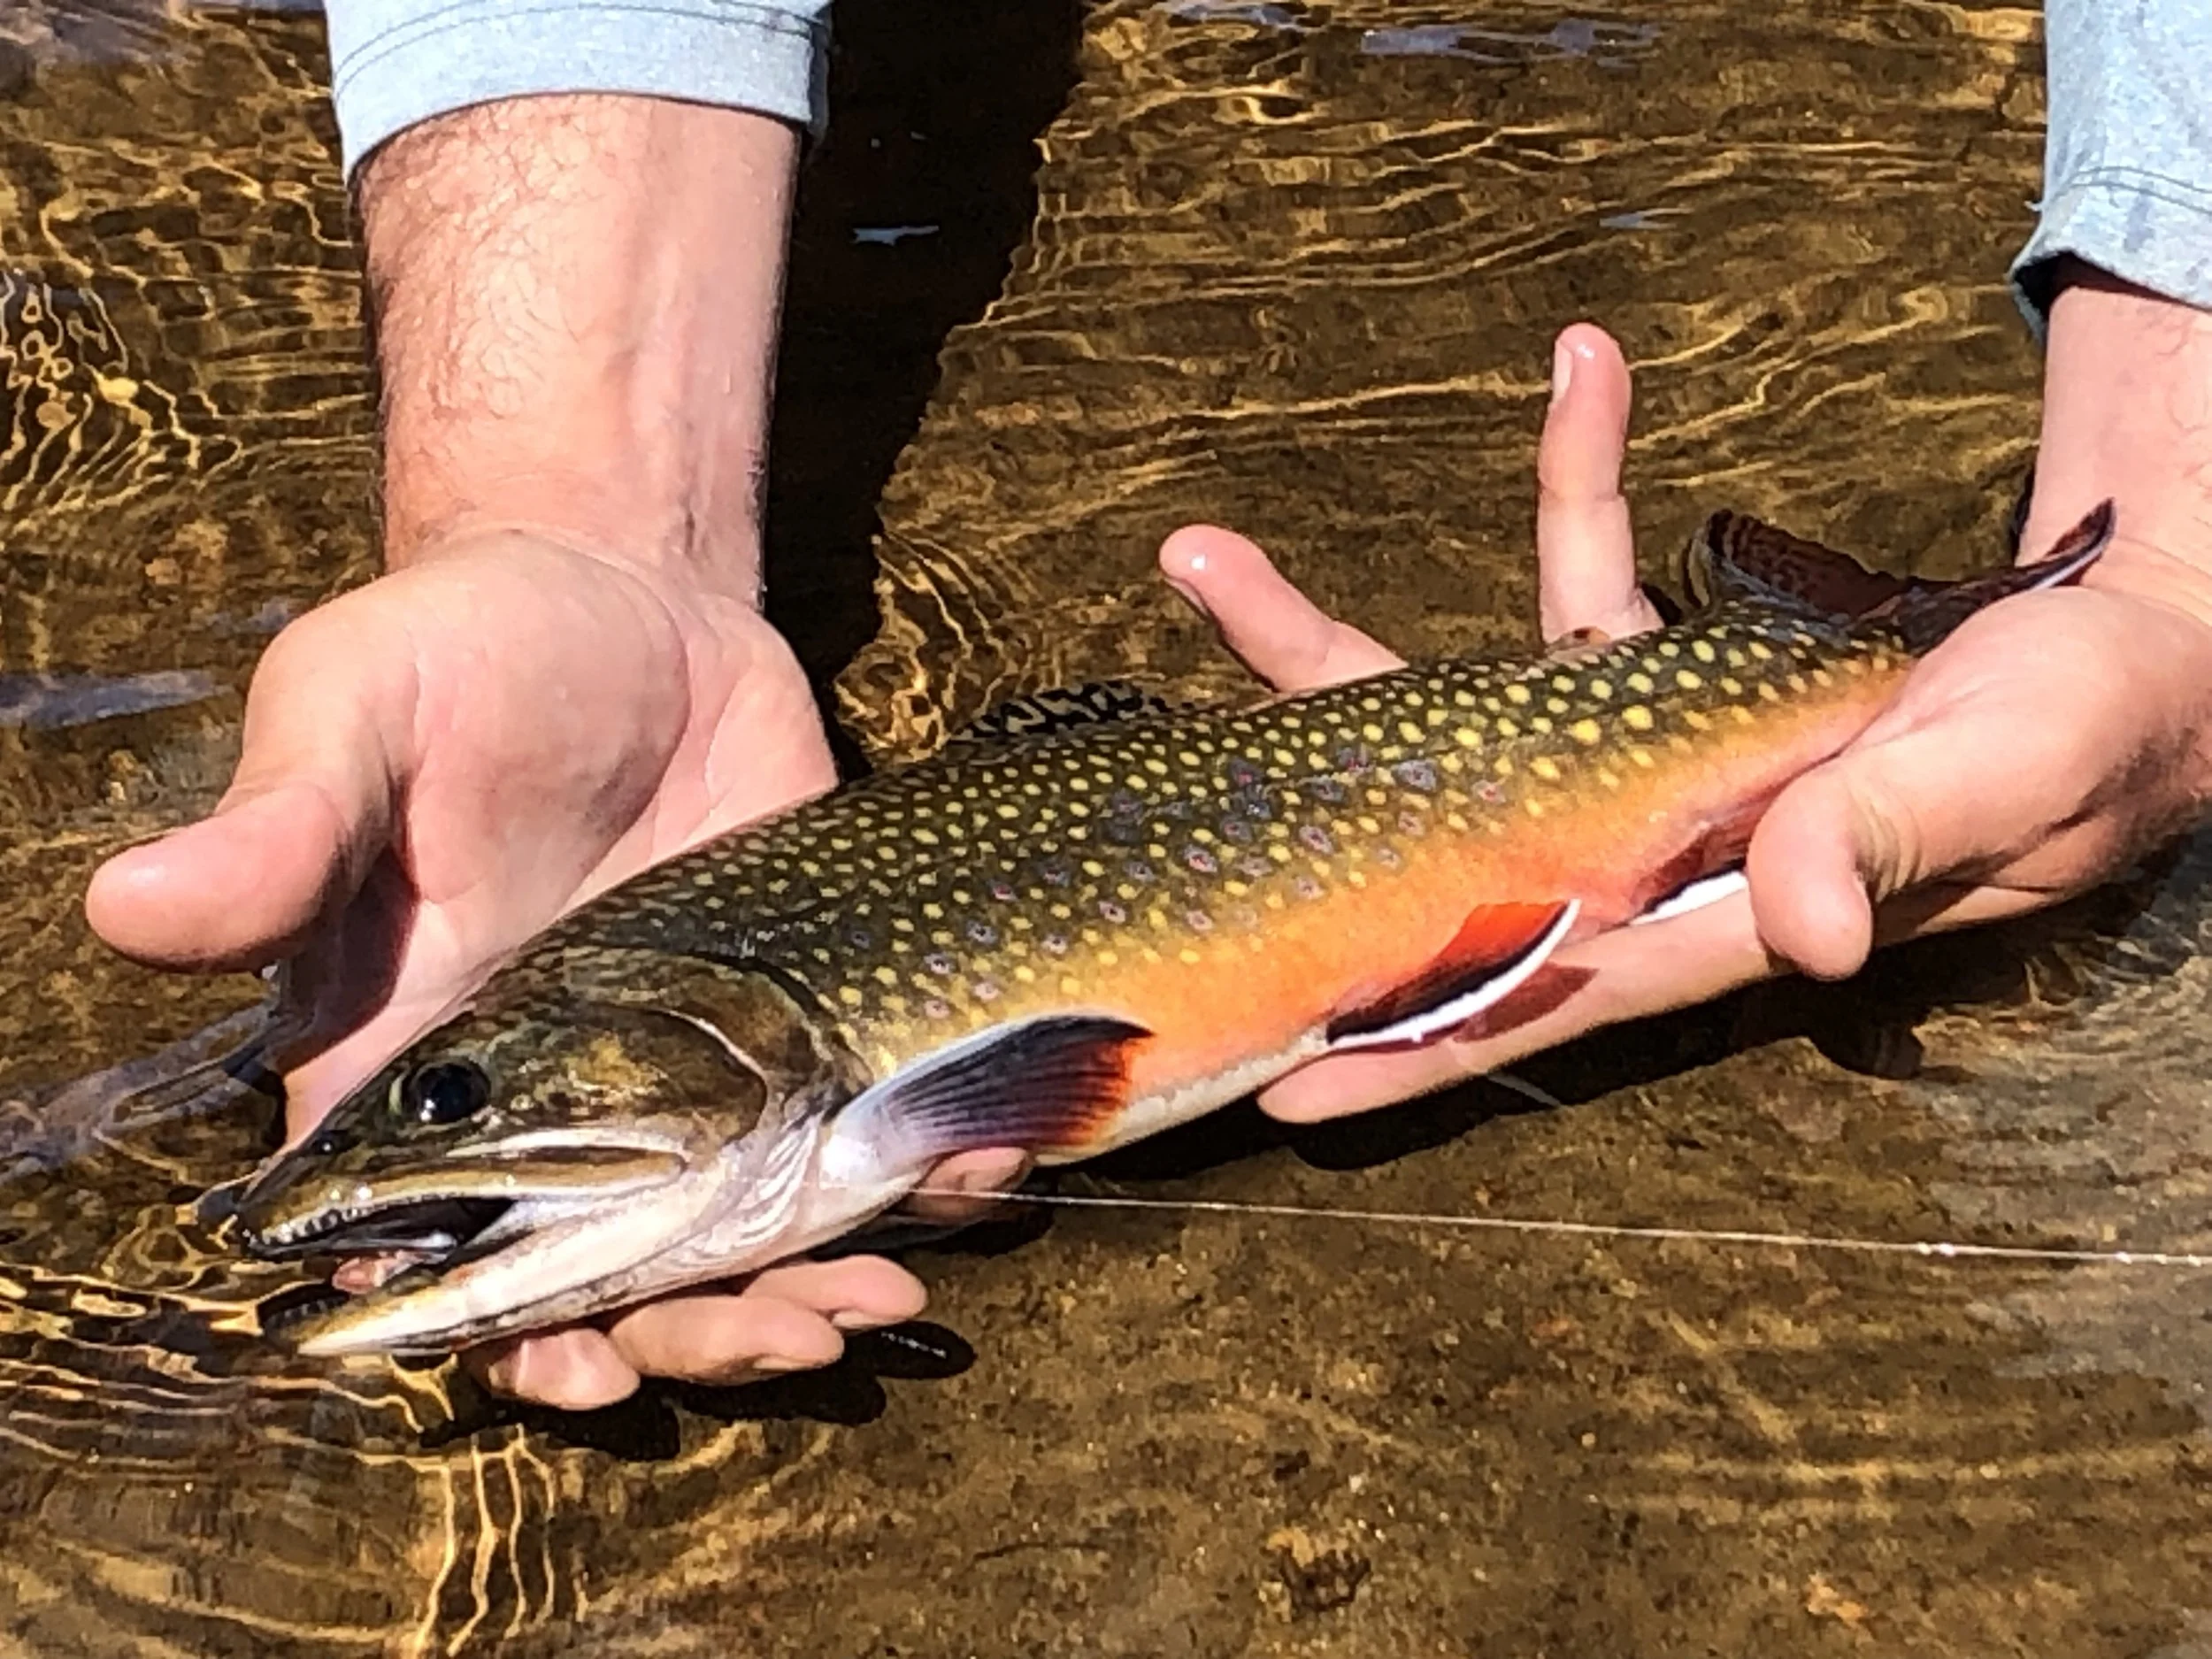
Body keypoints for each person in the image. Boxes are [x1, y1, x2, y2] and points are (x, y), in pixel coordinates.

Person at [82, 4, 2212, 1410]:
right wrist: (573, 508)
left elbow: (1054, 1073)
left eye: (450, 1105)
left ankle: (1883, 631)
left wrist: (2176, 547)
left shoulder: (770, 1051)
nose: (429, 1148)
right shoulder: (698, 1029)